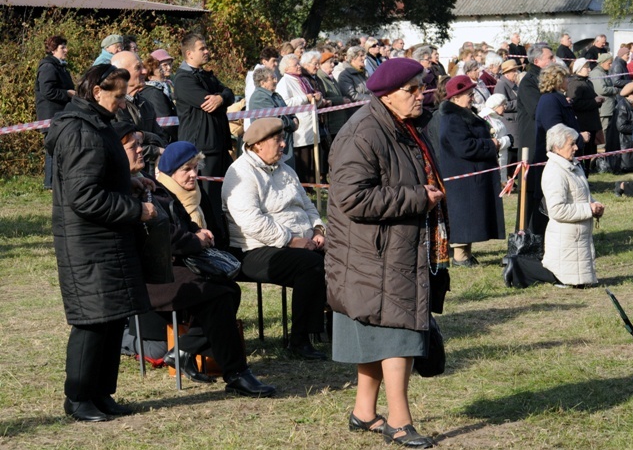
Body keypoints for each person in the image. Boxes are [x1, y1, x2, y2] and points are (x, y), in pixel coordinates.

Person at [327, 58, 448, 449]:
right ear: (387, 95)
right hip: (372, 254)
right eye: (411, 90)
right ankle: (399, 422)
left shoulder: (403, 125)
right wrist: (417, 198)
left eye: (421, 87)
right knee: (398, 337)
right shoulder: (363, 132)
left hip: (393, 248)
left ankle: (364, 412)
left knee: (379, 335)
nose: (420, 95)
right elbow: (352, 197)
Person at [44, 64, 156, 422]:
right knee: (92, 323)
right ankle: (78, 398)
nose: (123, 103)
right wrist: (137, 211)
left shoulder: (98, 124)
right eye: (118, 96)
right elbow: (85, 196)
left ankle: (101, 394)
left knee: (112, 319)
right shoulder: (81, 130)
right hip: (89, 243)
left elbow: (101, 176)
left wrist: (129, 183)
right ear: (97, 92)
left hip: (108, 240)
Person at [146, 141, 276, 397]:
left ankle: (187, 350)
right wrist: (196, 239)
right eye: (187, 169)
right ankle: (236, 372)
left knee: (228, 289)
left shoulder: (189, 194)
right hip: (158, 275)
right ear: (171, 171)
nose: (194, 174)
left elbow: (187, 225)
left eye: (196, 168)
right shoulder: (155, 194)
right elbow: (163, 237)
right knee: (220, 293)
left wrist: (199, 232)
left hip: (184, 265)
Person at [222, 118, 327, 361]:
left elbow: (308, 206)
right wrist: (291, 240)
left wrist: (318, 231)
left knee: (343, 255)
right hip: (253, 249)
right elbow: (251, 220)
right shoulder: (240, 173)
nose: (283, 145)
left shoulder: (286, 170)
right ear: (258, 145)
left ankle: (337, 328)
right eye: (277, 140)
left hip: (299, 243)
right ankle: (299, 340)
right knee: (310, 265)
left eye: (283, 139)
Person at [503, 124, 604, 288]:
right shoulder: (555, 172)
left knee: (573, 280)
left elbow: (581, 194)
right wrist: (588, 209)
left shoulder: (573, 166)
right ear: (557, 147)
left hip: (576, 237)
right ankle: (517, 265)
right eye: (572, 144)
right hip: (565, 238)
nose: (576, 147)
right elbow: (557, 210)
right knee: (560, 277)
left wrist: (594, 204)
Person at [439, 75, 505, 266]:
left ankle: (466, 253)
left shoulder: (465, 113)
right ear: (456, 97)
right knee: (464, 216)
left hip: (472, 174)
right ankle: (460, 256)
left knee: (471, 215)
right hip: (463, 177)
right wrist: (490, 144)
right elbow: (465, 147)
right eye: (468, 94)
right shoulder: (452, 118)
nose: (472, 97)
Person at [174, 33, 234, 223]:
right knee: (208, 199)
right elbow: (205, 102)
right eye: (202, 48)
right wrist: (220, 98)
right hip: (202, 147)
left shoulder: (207, 76)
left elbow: (229, 93)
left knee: (225, 195)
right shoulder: (183, 80)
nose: (207, 51)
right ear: (190, 53)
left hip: (219, 144)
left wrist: (221, 98)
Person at [531, 63, 583, 235]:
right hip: (553, 160)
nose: (568, 80)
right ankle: (540, 239)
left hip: (562, 158)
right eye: (566, 77)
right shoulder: (549, 101)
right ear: (558, 80)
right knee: (549, 201)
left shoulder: (555, 99)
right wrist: (580, 137)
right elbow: (556, 132)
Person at [111, 51, 170, 175]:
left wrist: (143, 135)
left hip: (148, 174)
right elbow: (122, 147)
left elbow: (161, 139)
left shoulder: (146, 104)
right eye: (138, 68)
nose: (144, 71)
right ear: (121, 73)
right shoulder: (113, 107)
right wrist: (155, 150)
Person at [517, 44, 555, 229]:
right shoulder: (529, 81)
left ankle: (542, 232)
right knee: (531, 192)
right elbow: (537, 110)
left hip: (545, 142)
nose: (553, 61)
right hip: (532, 144)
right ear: (537, 60)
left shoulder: (546, 79)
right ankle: (527, 235)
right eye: (550, 57)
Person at [275, 52, 325, 184]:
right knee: (302, 157)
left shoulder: (302, 80)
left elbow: (312, 100)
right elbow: (285, 103)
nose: (299, 66)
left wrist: (317, 98)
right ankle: (304, 186)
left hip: (311, 124)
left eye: (298, 63)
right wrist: (305, 98)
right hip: (300, 127)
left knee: (312, 156)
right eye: (295, 65)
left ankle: (313, 184)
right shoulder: (284, 82)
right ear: (286, 69)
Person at [35, 35, 75, 190]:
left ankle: (58, 182)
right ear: (53, 50)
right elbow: (48, 91)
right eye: (62, 47)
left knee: (61, 148)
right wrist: (68, 94)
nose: (66, 50)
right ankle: (50, 183)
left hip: (60, 114)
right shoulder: (48, 67)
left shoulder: (60, 66)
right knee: (53, 149)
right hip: (51, 115)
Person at [248, 67, 298, 168]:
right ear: (263, 82)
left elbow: (288, 112)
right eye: (272, 78)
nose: (276, 81)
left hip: (284, 142)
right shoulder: (259, 97)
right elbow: (276, 120)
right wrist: (293, 123)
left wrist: (294, 118)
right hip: (271, 146)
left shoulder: (276, 95)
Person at [567, 58, 603, 177]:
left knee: (589, 152)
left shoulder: (588, 82)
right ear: (579, 69)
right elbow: (575, 104)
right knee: (581, 152)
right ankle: (581, 176)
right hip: (582, 124)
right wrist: (594, 102)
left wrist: (598, 101)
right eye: (586, 67)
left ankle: (586, 175)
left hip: (591, 122)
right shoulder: (575, 84)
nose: (589, 69)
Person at [141, 55, 178, 143]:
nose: (163, 73)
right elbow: (165, 122)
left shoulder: (153, 91)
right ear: (150, 77)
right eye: (160, 70)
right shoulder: (155, 93)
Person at [479, 94, 512, 185]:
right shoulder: (486, 119)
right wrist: (508, 140)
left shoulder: (496, 118)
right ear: (496, 106)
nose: (505, 107)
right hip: (494, 159)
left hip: (501, 157)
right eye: (503, 105)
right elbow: (495, 141)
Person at [494, 59, 520, 176]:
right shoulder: (502, 85)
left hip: (516, 122)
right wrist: (519, 103)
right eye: (514, 71)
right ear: (507, 73)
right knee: (510, 153)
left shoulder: (514, 85)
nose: (516, 73)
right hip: (509, 123)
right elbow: (501, 105)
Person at [244, 46, 280, 130]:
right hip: (257, 125)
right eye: (273, 61)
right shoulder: (256, 77)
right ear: (264, 61)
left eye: (277, 61)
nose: (276, 64)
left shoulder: (271, 75)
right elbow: (252, 99)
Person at [317, 52, 350, 140]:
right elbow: (322, 98)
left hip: (339, 121)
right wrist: (341, 100)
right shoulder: (320, 78)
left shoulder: (331, 77)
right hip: (330, 123)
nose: (333, 65)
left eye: (333, 62)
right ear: (321, 64)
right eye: (330, 62)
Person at [590, 53, 619, 142]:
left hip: (608, 106)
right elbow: (601, 89)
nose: (610, 66)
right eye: (609, 63)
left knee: (608, 130)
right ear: (602, 62)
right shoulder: (597, 73)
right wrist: (615, 90)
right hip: (604, 108)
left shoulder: (603, 72)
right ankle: (603, 150)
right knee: (604, 130)